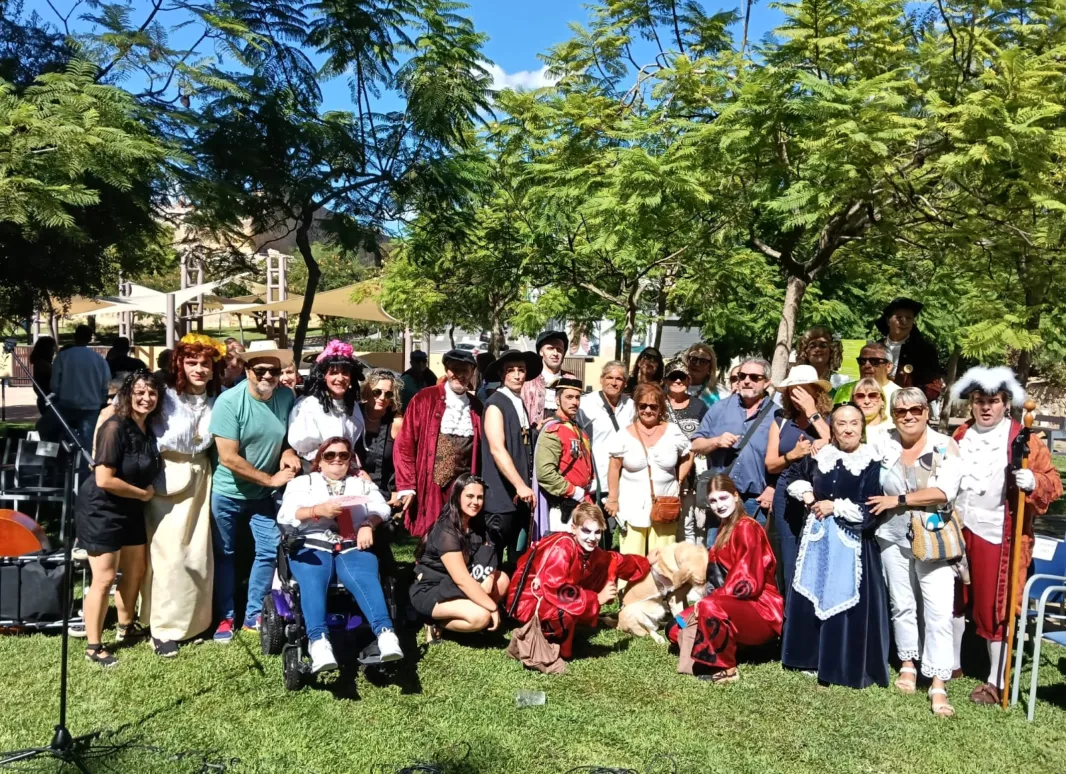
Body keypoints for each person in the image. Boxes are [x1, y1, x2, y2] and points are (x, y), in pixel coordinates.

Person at [949, 366, 1062, 705]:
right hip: (958, 527)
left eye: (993, 401)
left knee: (994, 606)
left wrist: (1034, 483)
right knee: (955, 598)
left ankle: (995, 679)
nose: (986, 408)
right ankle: (951, 664)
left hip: (999, 533)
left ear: (1005, 404)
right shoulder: (960, 436)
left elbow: (1053, 483)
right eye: (980, 401)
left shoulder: (1023, 439)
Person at [865, 387, 963, 716]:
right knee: (901, 602)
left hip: (933, 537)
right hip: (892, 534)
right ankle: (908, 661)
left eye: (916, 410)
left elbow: (943, 492)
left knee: (937, 611)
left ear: (927, 411)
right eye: (900, 411)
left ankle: (937, 680)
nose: (908, 416)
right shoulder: (884, 441)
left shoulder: (944, 445)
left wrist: (899, 500)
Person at [780, 404, 890, 689]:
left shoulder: (872, 461)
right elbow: (794, 476)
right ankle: (810, 657)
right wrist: (806, 494)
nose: (848, 429)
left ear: (862, 427)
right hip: (818, 537)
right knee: (814, 590)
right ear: (833, 427)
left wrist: (835, 506)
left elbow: (871, 507)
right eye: (841, 423)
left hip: (852, 542)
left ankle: (841, 664)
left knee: (844, 595)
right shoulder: (822, 456)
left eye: (854, 423)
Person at [277, 437, 403, 672]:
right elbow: (285, 515)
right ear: (320, 461)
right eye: (330, 455)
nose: (337, 459)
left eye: (343, 455)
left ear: (349, 461)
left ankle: (386, 634)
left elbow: (382, 507)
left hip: (351, 541)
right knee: (313, 579)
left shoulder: (360, 484)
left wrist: (368, 522)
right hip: (312, 541)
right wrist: (317, 511)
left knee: (364, 575)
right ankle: (319, 643)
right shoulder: (304, 483)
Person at [140, 334, 225, 657]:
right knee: (169, 555)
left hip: (203, 476)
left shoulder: (218, 398)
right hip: (167, 477)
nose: (199, 369)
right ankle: (163, 628)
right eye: (192, 362)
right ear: (180, 363)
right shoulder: (163, 395)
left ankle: (195, 622)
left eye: (205, 363)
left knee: (199, 555)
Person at [208, 344, 300, 642]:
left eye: (274, 370)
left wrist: (287, 450)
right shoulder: (228, 402)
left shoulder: (286, 397)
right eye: (260, 370)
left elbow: (285, 435)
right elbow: (228, 458)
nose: (268, 376)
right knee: (226, 555)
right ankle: (224, 618)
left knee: (268, 548)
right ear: (248, 370)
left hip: (259, 497)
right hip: (228, 493)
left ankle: (253, 615)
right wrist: (270, 480)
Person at [75, 371, 163, 667]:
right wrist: (141, 494)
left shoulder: (147, 427)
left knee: (136, 570)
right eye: (139, 392)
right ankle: (94, 645)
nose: (146, 398)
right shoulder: (114, 427)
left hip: (131, 507)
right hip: (103, 507)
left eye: (151, 393)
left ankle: (126, 627)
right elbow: (103, 479)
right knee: (105, 577)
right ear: (127, 394)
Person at [668, 475, 783, 683]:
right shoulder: (725, 528)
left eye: (723, 498)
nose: (719, 505)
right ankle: (736, 647)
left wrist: (709, 602)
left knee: (708, 607)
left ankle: (728, 669)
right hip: (732, 604)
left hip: (760, 608)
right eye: (713, 501)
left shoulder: (747, 527)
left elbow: (747, 583)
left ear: (736, 496)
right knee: (675, 628)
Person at [508, 503, 651, 660]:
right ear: (573, 528)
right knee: (563, 612)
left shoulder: (588, 550)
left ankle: (562, 637)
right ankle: (556, 648)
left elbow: (616, 560)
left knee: (605, 563)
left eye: (597, 532)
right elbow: (556, 589)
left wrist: (647, 562)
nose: (592, 538)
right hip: (531, 602)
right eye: (586, 531)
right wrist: (595, 599)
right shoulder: (563, 547)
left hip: (553, 597)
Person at [409, 474, 509, 643]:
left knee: (502, 580)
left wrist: (490, 577)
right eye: (469, 496)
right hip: (433, 588)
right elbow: (462, 579)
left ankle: (469, 610)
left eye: (480, 497)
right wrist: (492, 607)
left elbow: (487, 554)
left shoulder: (476, 524)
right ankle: (435, 623)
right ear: (457, 497)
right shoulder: (446, 530)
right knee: (481, 616)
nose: (475, 502)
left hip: (456, 584)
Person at [394, 349, 483, 538]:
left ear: (472, 372)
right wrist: (407, 485)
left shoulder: (477, 407)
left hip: (463, 485)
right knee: (430, 535)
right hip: (432, 484)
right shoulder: (425, 398)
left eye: (465, 370)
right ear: (446, 370)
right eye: (454, 369)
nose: (459, 375)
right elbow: (405, 444)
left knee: (460, 534)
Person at [691, 357, 779, 538]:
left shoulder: (777, 414)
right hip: (721, 498)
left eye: (755, 377)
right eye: (742, 376)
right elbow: (696, 445)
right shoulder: (719, 408)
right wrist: (715, 441)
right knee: (716, 556)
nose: (747, 381)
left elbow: (786, 459)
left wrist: (772, 488)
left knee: (751, 558)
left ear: (767, 382)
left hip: (756, 500)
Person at [606, 383, 692, 557]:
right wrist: (613, 499)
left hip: (665, 504)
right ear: (636, 406)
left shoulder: (673, 432)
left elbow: (689, 455)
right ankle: (629, 586)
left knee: (664, 558)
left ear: (661, 407)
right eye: (642, 405)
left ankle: (661, 586)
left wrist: (680, 481)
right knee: (631, 558)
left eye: (653, 406)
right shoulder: (624, 434)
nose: (647, 410)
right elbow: (614, 467)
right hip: (632, 507)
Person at [765, 365, 832, 590]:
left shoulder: (829, 419)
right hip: (785, 492)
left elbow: (839, 443)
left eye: (803, 390)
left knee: (817, 554)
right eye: (793, 391)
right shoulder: (781, 421)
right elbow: (771, 464)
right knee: (789, 554)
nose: (797, 397)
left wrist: (811, 412)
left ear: (816, 392)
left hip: (819, 493)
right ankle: (789, 613)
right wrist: (792, 455)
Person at [480, 349, 540, 565]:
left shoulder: (518, 402)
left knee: (518, 555)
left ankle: (514, 596)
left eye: (521, 370)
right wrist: (519, 486)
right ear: (502, 374)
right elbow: (497, 448)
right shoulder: (496, 404)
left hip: (519, 497)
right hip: (501, 495)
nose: (517, 375)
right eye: (511, 370)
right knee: (493, 555)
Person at [532, 376, 596, 539]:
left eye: (577, 397)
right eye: (569, 397)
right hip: (563, 507)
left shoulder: (580, 430)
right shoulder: (553, 430)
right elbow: (545, 473)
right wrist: (574, 492)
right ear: (557, 400)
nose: (574, 402)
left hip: (582, 503)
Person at [287, 340, 365, 470]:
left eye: (345, 373)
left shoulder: (353, 405)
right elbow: (302, 447)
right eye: (334, 373)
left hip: (345, 468)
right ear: (323, 376)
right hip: (315, 468)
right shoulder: (308, 406)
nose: (340, 378)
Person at [663, 359, 709, 545]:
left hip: (695, 470)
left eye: (682, 377)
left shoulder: (699, 406)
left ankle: (692, 563)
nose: (678, 381)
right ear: (666, 381)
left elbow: (706, 434)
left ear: (688, 380)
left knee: (693, 519)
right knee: (671, 515)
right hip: (666, 469)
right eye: (673, 377)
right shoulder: (657, 404)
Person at [46, 324, 110, 458]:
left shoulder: (63, 356)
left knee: (47, 429)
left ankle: (53, 460)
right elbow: (106, 384)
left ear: (74, 336)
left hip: (67, 404)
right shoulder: (99, 359)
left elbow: (54, 384)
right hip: (91, 405)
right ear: (89, 338)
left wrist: (60, 393)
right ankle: (84, 470)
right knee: (87, 440)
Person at [875, 297, 942, 401]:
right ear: (888, 321)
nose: (904, 321)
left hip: (908, 410)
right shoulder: (876, 348)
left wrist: (909, 400)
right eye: (899, 317)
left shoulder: (925, 351)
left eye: (909, 318)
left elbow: (934, 388)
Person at [356, 368, 403, 502]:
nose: (382, 398)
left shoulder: (396, 423)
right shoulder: (354, 414)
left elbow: (403, 461)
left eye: (388, 394)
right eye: (377, 392)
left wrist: (396, 490)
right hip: (352, 488)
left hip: (383, 493)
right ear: (367, 392)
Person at [522, 330, 576, 427]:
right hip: (536, 438)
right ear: (541, 352)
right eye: (550, 348)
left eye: (559, 349)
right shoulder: (529, 381)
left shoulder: (571, 379)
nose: (555, 353)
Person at [834, 342, 900, 406]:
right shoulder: (845, 390)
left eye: (874, 361)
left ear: (888, 367)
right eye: (862, 361)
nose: (867, 365)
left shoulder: (899, 394)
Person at [794, 326, 850, 391]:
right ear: (805, 351)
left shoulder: (843, 382)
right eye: (812, 346)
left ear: (831, 350)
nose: (818, 349)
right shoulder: (797, 381)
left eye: (823, 346)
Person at [851, 377, 890, 442]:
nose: (867, 401)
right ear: (853, 401)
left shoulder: (892, 430)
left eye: (873, 395)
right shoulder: (847, 431)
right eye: (860, 396)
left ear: (882, 401)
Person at [684, 343, 721, 408]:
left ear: (710, 367)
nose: (697, 364)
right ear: (687, 361)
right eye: (693, 359)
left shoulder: (720, 392)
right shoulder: (673, 386)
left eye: (703, 361)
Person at [29, 336, 56, 414]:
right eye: (52, 348)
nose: (54, 350)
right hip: (47, 399)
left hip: (47, 398)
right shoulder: (41, 364)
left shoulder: (42, 363)